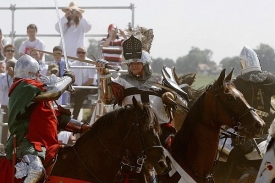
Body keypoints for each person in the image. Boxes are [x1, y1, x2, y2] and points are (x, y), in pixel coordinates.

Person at [4, 54, 91, 182]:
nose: (40, 76)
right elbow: (55, 92)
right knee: (36, 171)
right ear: (31, 72)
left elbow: (55, 117)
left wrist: (83, 127)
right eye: (38, 73)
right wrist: (68, 78)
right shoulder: (22, 86)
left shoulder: (38, 95)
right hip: (28, 142)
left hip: (47, 143)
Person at [218, 46, 275, 182]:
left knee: (227, 149)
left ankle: (240, 173)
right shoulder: (271, 79)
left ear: (242, 64)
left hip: (248, 131)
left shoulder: (237, 83)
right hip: (268, 128)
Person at [70, 46, 97, 120]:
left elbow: (91, 80)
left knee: (80, 93)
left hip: (90, 86)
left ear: (86, 53)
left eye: (83, 52)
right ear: (76, 54)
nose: (81, 54)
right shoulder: (73, 64)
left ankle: (74, 117)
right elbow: (71, 79)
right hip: (77, 86)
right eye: (79, 52)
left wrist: (78, 89)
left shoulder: (90, 63)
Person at [0, 58, 16, 147]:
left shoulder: (17, 77)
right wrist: (9, 76)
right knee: (4, 127)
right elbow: (2, 87)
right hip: (4, 106)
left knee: (13, 127)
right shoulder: (2, 76)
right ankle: (2, 145)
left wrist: (13, 75)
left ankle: (12, 146)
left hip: (13, 106)